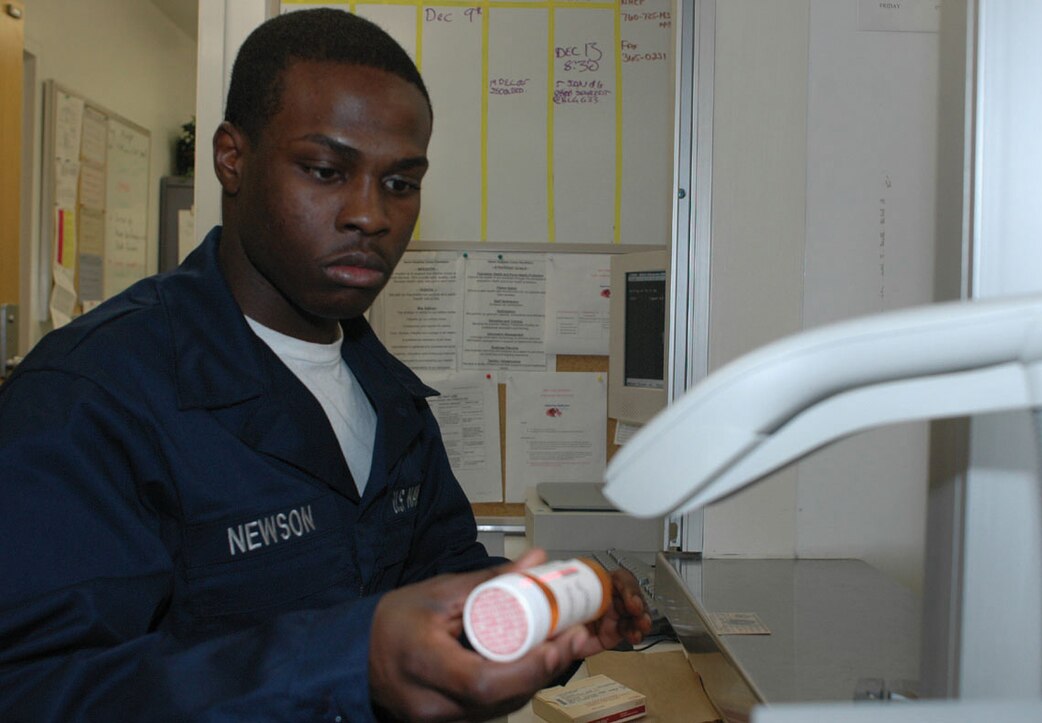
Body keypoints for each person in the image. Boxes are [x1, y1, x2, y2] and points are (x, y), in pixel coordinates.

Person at [0, 8, 651, 721]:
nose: (370, 214)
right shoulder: (89, 398)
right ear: (231, 158)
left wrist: (549, 612)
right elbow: (35, 691)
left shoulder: (388, 398)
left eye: (401, 183)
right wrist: (352, 657)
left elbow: (446, 587)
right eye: (325, 170)